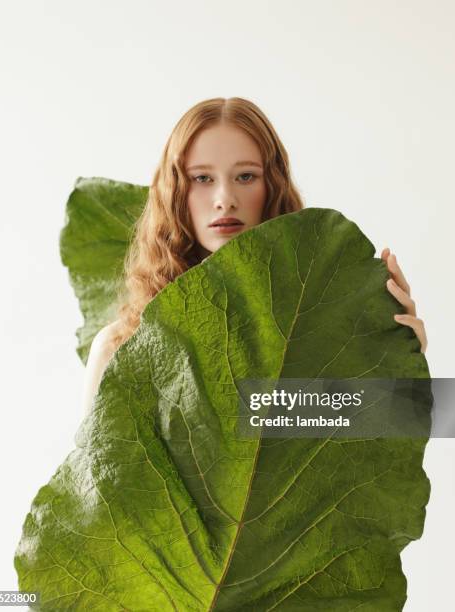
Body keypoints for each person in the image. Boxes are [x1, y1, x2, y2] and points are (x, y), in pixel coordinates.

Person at [81, 97, 428, 415]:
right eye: (202, 178)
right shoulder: (119, 346)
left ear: (272, 187)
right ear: (176, 192)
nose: (224, 199)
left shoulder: (323, 328)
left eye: (246, 176)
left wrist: (400, 362)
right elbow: (98, 482)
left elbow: (364, 453)